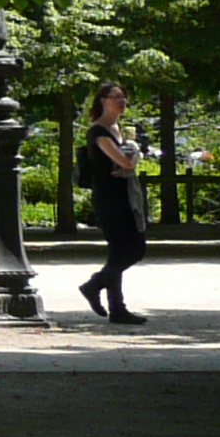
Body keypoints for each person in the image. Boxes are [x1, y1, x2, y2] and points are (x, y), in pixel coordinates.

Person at [78, 80, 149, 324]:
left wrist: (130, 153)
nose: (122, 101)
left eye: (123, 97)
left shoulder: (118, 128)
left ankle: (115, 307)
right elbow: (127, 162)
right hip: (109, 199)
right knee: (127, 251)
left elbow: (126, 162)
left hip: (125, 196)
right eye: (116, 97)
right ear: (103, 101)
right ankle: (94, 286)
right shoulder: (99, 132)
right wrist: (133, 153)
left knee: (129, 250)